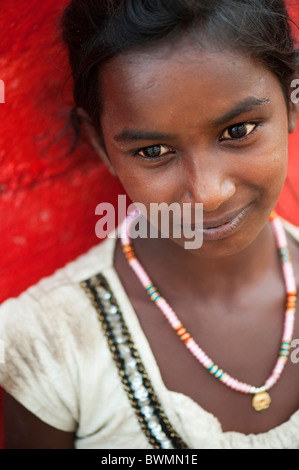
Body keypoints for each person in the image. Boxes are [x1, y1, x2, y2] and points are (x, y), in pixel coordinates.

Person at [0, 0, 299, 449]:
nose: (208, 193)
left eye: (238, 131)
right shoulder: (46, 344)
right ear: (103, 146)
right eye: (154, 152)